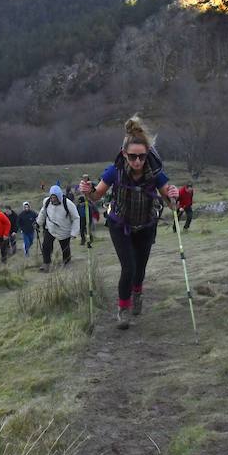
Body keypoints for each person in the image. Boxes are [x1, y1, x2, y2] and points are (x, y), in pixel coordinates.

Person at [83, 116, 179, 329]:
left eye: (142, 157)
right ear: (124, 154)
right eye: (133, 157)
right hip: (120, 225)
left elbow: (171, 203)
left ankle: (138, 293)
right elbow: (96, 196)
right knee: (129, 267)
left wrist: (174, 196)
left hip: (146, 226)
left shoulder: (154, 172)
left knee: (140, 269)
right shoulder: (114, 171)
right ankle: (123, 309)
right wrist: (87, 190)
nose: (137, 161)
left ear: (147, 155)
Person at [37, 185, 79, 271]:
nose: (52, 200)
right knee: (46, 246)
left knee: (65, 248)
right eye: (51, 197)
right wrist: (38, 223)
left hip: (64, 230)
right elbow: (43, 213)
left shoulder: (68, 204)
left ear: (59, 196)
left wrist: (74, 232)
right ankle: (46, 264)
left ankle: (67, 263)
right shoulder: (46, 202)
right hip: (50, 228)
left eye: (54, 198)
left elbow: (76, 218)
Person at [75, 177, 95, 248]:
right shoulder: (78, 206)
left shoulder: (87, 205)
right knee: (82, 230)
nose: (80, 204)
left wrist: (90, 219)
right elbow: (76, 212)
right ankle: (83, 240)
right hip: (81, 219)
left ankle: (89, 240)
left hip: (87, 218)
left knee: (87, 230)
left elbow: (90, 212)